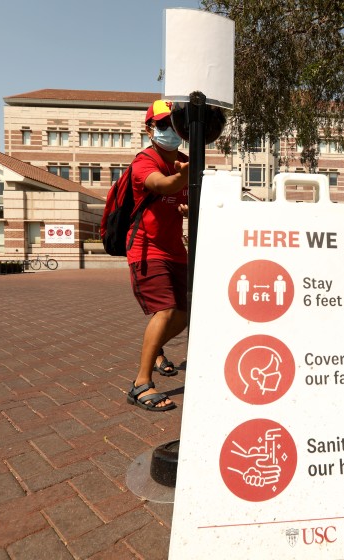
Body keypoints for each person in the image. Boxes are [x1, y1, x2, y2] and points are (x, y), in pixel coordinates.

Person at [126, 99, 189, 412]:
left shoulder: (184, 161)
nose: (170, 130)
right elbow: (162, 185)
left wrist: (191, 204)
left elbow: (191, 197)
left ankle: (157, 347)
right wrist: (185, 177)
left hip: (176, 250)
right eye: (163, 125)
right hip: (146, 248)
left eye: (174, 125)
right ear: (150, 129)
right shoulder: (144, 162)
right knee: (164, 311)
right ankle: (141, 383)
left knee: (185, 313)